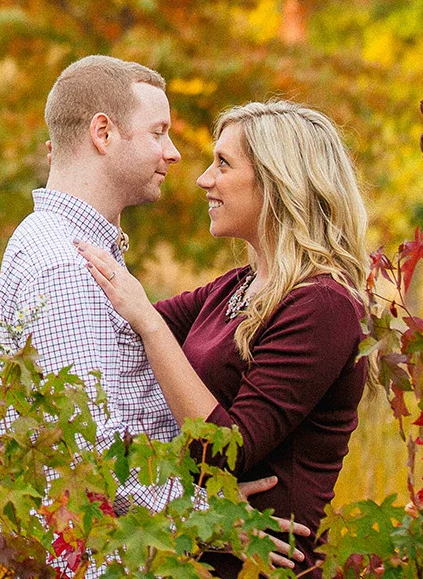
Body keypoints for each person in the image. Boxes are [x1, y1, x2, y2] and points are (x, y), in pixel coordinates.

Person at [0, 57, 309, 568]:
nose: (174, 153)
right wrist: (212, 517)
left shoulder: (90, 256)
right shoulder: (65, 266)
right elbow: (90, 455)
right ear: (103, 133)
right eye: (158, 132)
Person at [77, 100, 370, 578]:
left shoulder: (323, 306)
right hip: (206, 553)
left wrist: (150, 325)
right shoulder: (236, 286)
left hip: (267, 566)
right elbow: (117, 326)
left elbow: (227, 448)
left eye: (223, 163)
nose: (203, 179)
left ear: (279, 183)